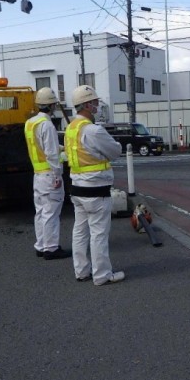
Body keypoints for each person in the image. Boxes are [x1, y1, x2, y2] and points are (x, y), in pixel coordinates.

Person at [64, 85, 125, 286]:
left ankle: (81, 271)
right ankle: (102, 275)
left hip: (77, 187)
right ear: (87, 105)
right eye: (95, 102)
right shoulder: (93, 130)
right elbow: (115, 151)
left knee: (80, 231)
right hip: (96, 188)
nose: (98, 105)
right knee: (98, 233)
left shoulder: (70, 128)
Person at [24, 87, 71, 260]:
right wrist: (58, 174)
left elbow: (40, 146)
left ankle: (41, 245)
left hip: (38, 175)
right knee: (51, 213)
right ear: (51, 106)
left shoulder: (31, 123)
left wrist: (60, 147)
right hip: (50, 175)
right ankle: (51, 249)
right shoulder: (47, 125)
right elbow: (51, 153)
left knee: (41, 212)